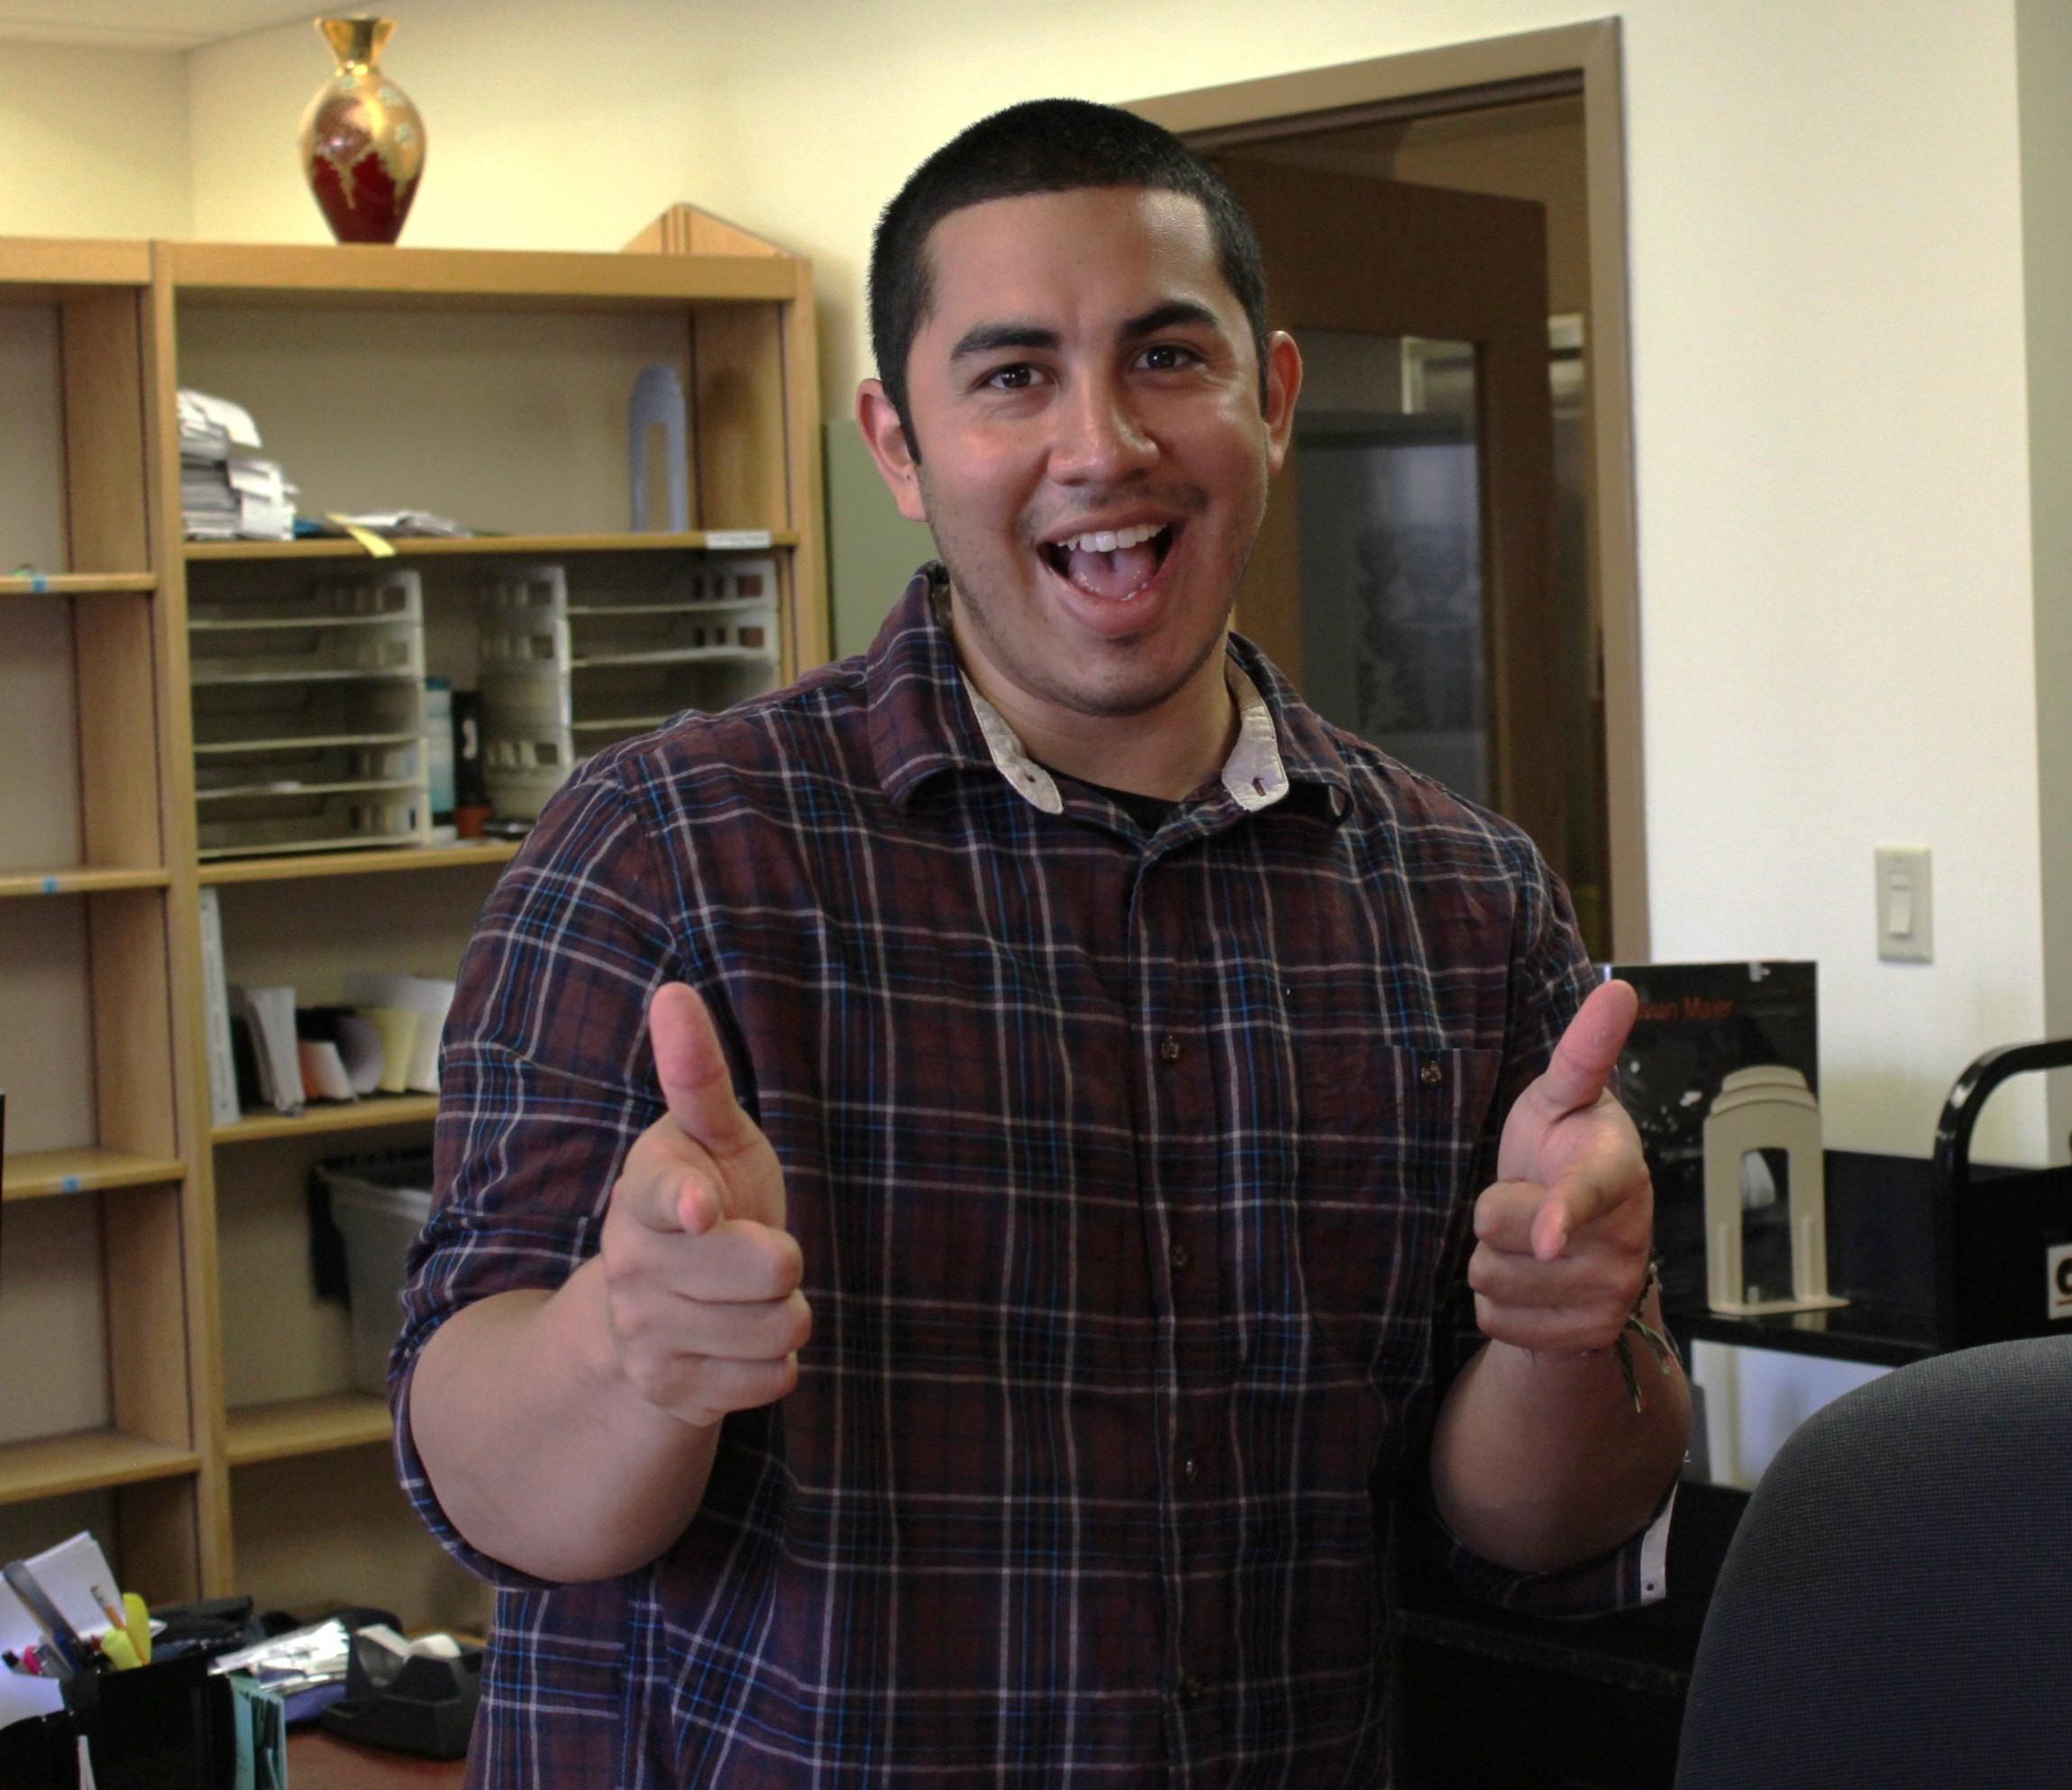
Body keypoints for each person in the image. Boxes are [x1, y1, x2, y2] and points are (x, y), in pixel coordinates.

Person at [397, 99, 1691, 1786]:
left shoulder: (1462, 898)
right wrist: (626, 1347)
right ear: (897, 442)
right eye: (1012, 375)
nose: (1103, 444)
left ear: (1273, 398)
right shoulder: (665, 854)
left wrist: (1562, 1338)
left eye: (1167, 358)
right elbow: (485, 1478)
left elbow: (1538, 1527)